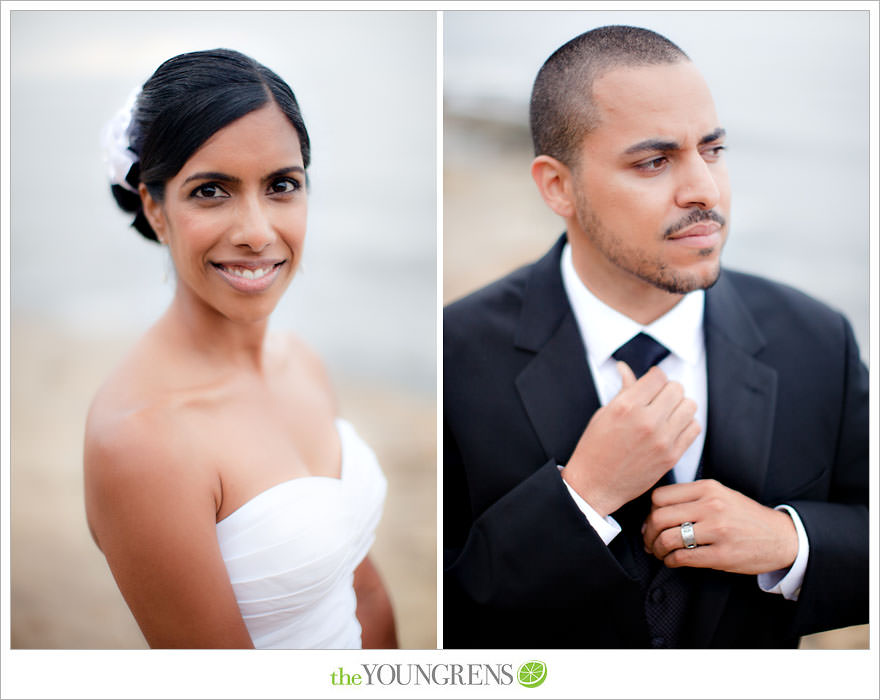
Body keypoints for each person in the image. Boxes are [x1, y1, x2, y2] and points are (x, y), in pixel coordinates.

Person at [443, 26, 868, 648]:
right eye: (654, 161)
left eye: (713, 150)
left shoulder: (817, 340)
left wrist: (789, 540)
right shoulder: (457, 353)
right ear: (557, 186)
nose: (704, 190)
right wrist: (580, 499)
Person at [84, 48, 397, 649]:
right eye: (210, 191)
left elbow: (364, 591)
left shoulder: (300, 361)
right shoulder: (142, 440)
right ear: (155, 207)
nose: (256, 232)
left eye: (282, 185)